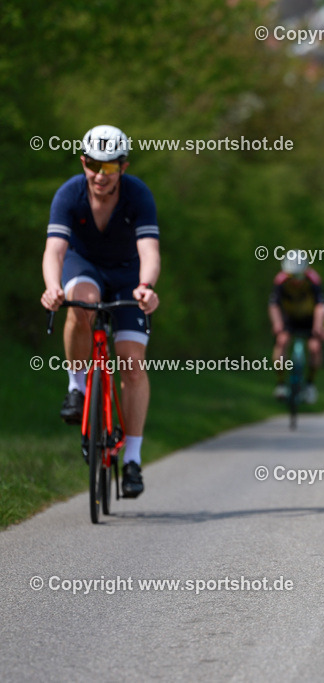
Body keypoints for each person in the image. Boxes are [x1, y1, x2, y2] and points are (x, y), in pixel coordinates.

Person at [40, 124, 160, 499]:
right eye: (93, 165)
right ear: (83, 162)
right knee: (82, 306)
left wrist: (147, 286)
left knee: (131, 363)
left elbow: (150, 251)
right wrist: (51, 286)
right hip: (84, 266)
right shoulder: (69, 194)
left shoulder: (138, 195)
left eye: (109, 168)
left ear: (123, 167)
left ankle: (133, 460)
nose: (99, 175)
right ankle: (77, 388)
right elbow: (55, 250)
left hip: (127, 275)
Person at [269, 253, 324, 403]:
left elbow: (320, 306)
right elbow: (274, 305)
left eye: (299, 276)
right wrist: (277, 323)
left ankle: (310, 385)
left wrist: (318, 326)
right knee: (282, 342)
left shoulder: (313, 279)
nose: (295, 280)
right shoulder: (281, 281)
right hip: (290, 318)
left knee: (314, 347)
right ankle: (280, 384)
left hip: (309, 318)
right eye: (291, 276)